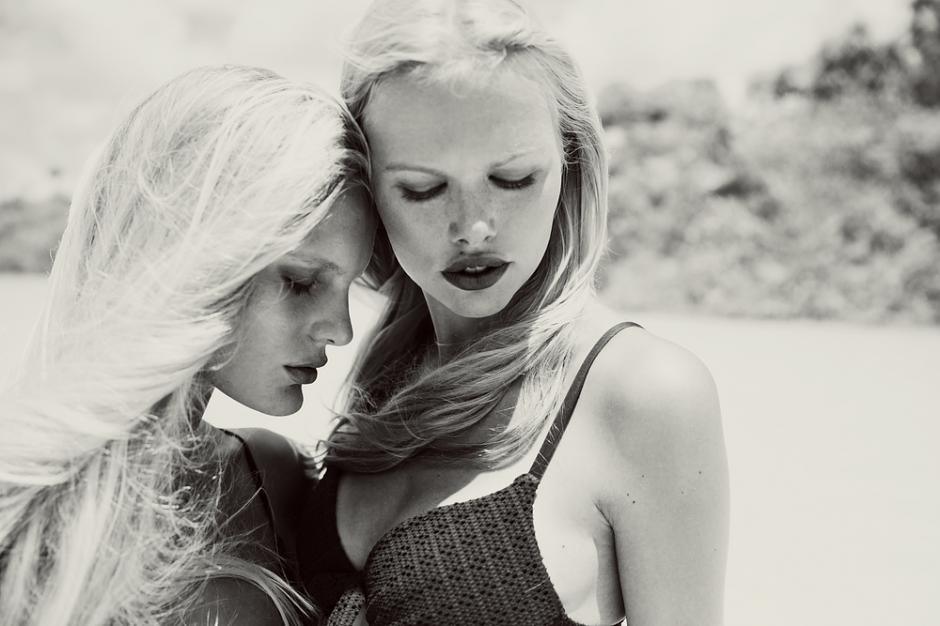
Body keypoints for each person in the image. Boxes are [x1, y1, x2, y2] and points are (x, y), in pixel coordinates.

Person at [298, 1, 730, 625]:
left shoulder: (645, 394)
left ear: (570, 166)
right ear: (367, 190)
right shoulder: (384, 376)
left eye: (514, 179)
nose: (473, 227)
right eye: (423, 189)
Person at [0, 65, 375, 625]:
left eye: (351, 285)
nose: (341, 330)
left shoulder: (277, 479)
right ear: (194, 260)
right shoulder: (19, 493)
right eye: (301, 282)